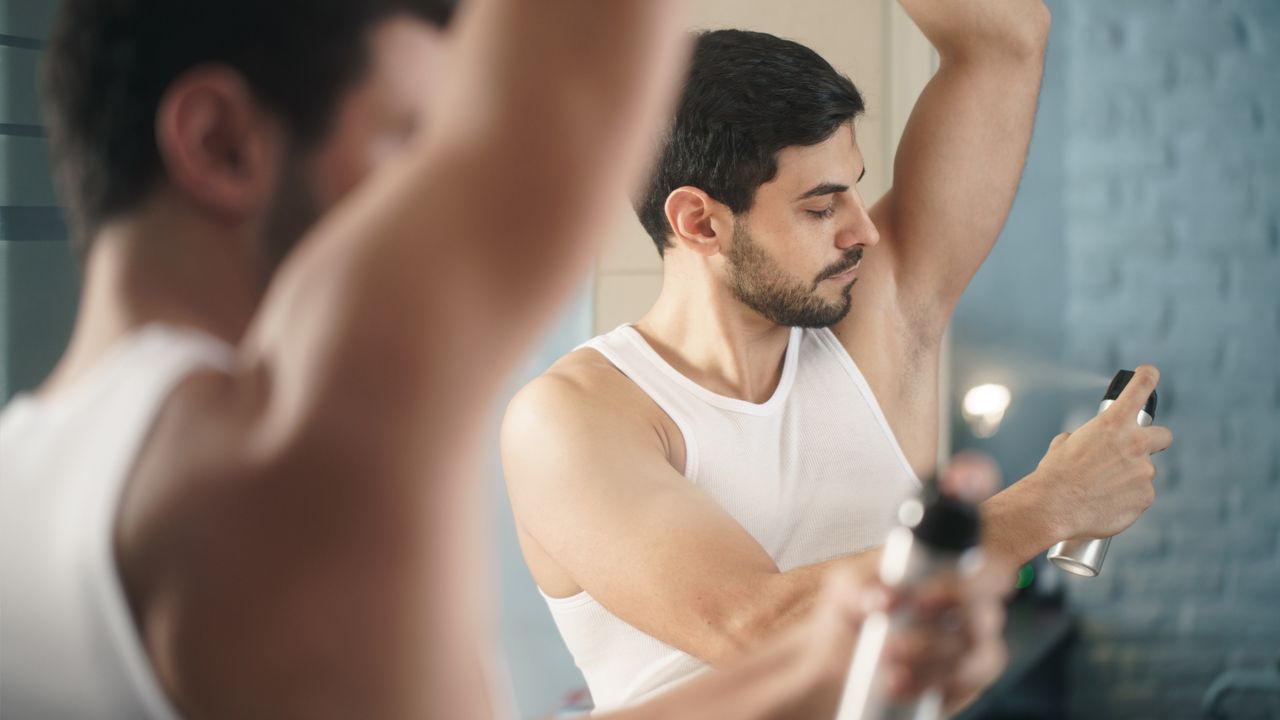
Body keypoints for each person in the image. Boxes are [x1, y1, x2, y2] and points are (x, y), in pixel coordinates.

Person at [0, 0, 1002, 718]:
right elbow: (566, 89)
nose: (431, 192)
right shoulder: (277, 456)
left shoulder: (27, 482)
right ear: (220, 145)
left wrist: (827, 658)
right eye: (407, 142)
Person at [501, 0, 1174, 712]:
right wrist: (1048, 505)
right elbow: (758, 628)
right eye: (821, 208)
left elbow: (1006, 38)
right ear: (699, 221)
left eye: (854, 187)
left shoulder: (878, 319)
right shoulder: (573, 417)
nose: (864, 230)